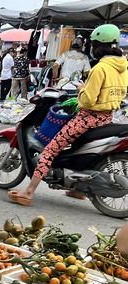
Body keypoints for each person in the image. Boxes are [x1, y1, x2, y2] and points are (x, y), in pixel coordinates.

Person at [9, 24, 128, 206]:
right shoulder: (123, 67)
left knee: (50, 149)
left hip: (87, 118)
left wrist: (82, 89)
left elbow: (88, 100)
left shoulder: (100, 68)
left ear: (97, 46)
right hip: (107, 117)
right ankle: (77, 189)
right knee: (77, 149)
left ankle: (29, 192)